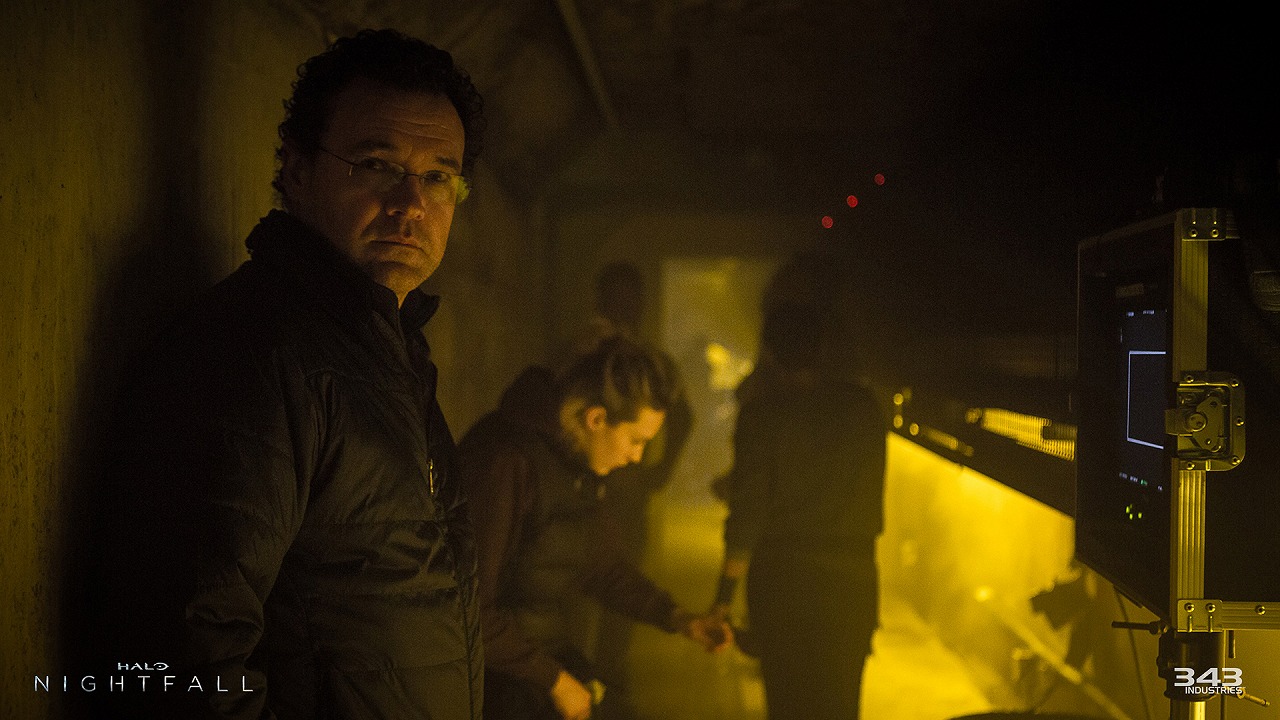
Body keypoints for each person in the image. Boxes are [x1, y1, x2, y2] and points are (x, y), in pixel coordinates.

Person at [96, 29, 485, 719]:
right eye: (376, 165)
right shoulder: (258, 351)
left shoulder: (389, 352)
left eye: (438, 177)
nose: (411, 205)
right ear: (298, 171)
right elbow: (191, 648)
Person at [459, 336, 730, 720]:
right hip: (492, 683)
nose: (636, 457)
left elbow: (602, 566)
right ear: (596, 419)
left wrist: (678, 618)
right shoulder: (505, 463)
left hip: (538, 664)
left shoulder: (575, 464)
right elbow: (467, 608)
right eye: (635, 440)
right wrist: (555, 680)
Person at [710, 303, 886, 720]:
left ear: (769, 353)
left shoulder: (764, 414)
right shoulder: (864, 409)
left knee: (788, 705)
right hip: (853, 582)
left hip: (784, 584)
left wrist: (723, 599)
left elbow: (747, 515)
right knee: (841, 706)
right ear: (824, 348)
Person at [561, 261, 694, 712]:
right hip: (580, 492)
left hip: (626, 497)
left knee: (616, 593)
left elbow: (682, 416)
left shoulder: (644, 362)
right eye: (615, 297)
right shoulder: (583, 351)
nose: (623, 306)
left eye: (630, 298)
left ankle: (608, 687)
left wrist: (658, 471)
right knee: (575, 597)